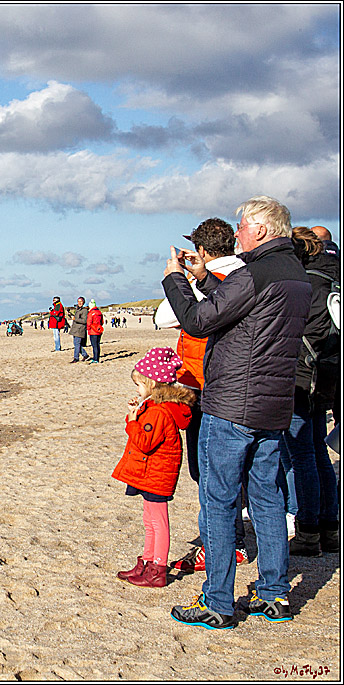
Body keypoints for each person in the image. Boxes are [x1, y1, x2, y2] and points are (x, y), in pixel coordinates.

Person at [164, 195, 311, 630]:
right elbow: (242, 312)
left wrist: (174, 280)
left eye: (243, 226)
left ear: (263, 230)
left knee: (220, 498)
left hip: (233, 403)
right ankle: (273, 594)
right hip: (271, 403)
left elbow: (196, 322)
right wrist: (205, 277)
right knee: (267, 497)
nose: (237, 233)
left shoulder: (256, 272)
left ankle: (218, 601)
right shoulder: (293, 274)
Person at [154, 218, 247, 573]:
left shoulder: (215, 283)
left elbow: (166, 317)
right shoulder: (247, 276)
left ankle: (225, 544)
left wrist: (184, 278)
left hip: (204, 384)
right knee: (239, 470)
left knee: (208, 473)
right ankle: (232, 539)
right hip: (237, 384)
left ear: (203, 250)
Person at [280, 226, 340, 556]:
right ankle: (330, 528)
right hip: (330, 371)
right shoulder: (334, 276)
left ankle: (308, 531)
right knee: (317, 452)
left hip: (304, 373)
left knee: (303, 454)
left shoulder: (308, 282)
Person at [113, 348, 195, 588]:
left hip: (156, 475)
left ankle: (158, 567)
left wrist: (132, 422)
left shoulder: (160, 411)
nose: (136, 390)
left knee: (158, 522)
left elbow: (146, 442)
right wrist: (138, 411)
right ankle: (147, 561)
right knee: (149, 520)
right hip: (151, 474)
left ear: (153, 384)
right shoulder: (157, 407)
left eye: (139, 385)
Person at [69, 297, 90, 363]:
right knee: (76, 344)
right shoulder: (78, 309)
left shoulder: (85, 310)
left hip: (80, 329)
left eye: (81, 301)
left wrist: (75, 319)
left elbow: (84, 320)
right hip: (75, 329)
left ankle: (76, 358)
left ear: (83, 302)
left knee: (77, 344)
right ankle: (85, 355)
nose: (79, 303)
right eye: (78, 301)